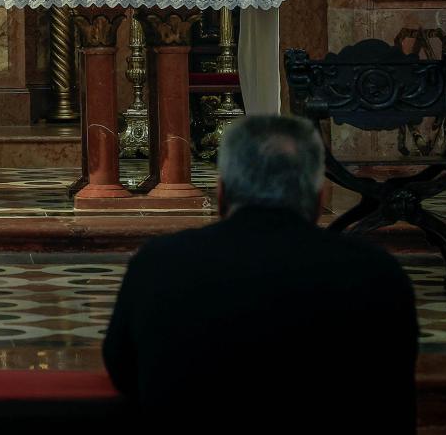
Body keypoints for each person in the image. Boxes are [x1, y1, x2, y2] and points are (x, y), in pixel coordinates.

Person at [102, 115, 419, 432]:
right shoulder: (376, 273)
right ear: (319, 196)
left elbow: (123, 371)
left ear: (222, 193)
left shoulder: (158, 264)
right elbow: (394, 396)